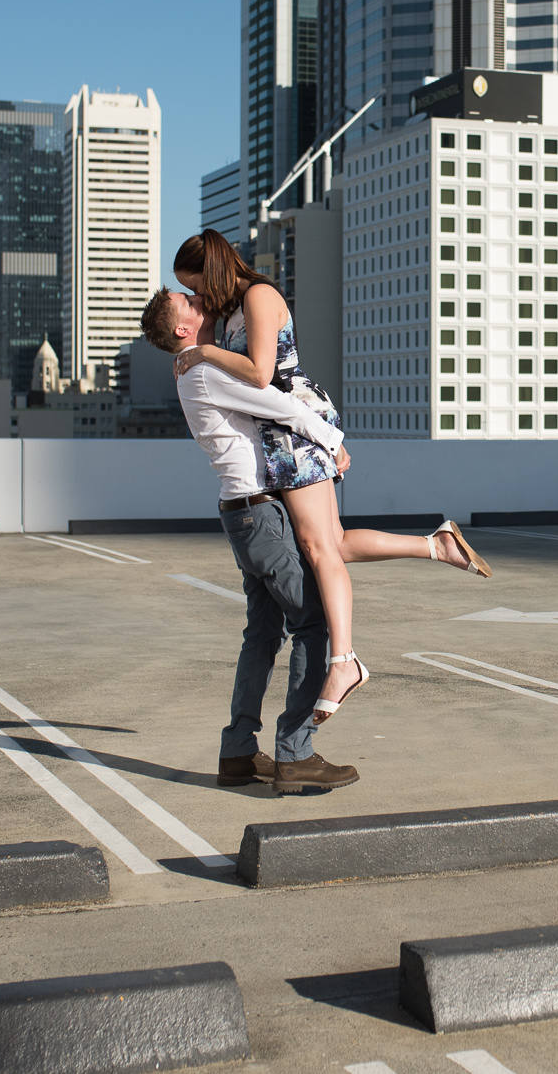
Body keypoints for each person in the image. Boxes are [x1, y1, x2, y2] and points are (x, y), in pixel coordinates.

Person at [166, 231, 489, 725]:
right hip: (275, 433)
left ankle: (343, 663)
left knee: (320, 550)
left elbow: (258, 374)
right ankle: (436, 546)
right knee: (330, 543)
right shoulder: (230, 311)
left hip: (294, 423)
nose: (200, 299)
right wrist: (196, 349)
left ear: (210, 271)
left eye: (197, 288)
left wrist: (205, 354)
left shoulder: (258, 295)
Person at [139, 286, 358, 795]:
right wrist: (334, 443)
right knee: (314, 624)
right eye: (190, 303)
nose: (201, 301)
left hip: (243, 514)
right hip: (259, 515)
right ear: (181, 330)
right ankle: (295, 753)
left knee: (262, 634)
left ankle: (238, 752)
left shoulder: (198, 368)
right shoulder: (206, 370)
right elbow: (277, 403)